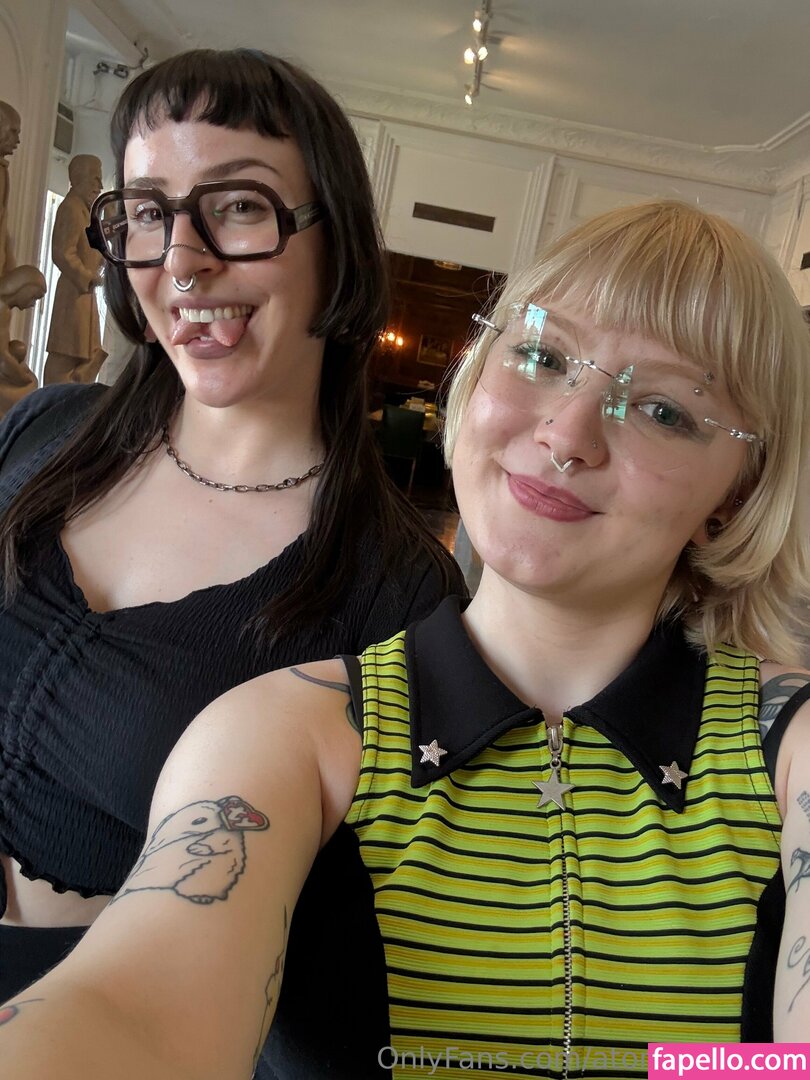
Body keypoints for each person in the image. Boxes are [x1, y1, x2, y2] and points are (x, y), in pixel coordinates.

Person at [2, 200, 809, 1079]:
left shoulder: (790, 750)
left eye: (662, 410)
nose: (567, 436)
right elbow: (136, 1007)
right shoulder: (286, 734)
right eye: (542, 357)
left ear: (738, 492)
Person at [0, 46, 462, 1076]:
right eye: (146, 212)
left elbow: (356, 976)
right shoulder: (43, 431)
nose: (182, 262)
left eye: (239, 207)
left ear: (336, 242)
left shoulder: (397, 595)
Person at [43, 154, 106, 386]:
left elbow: (94, 252)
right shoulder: (70, 208)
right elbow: (62, 252)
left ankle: (75, 397)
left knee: (90, 355)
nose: (100, 186)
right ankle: (54, 400)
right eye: (95, 179)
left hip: (85, 294)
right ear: (79, 178)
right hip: (74, 293)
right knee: (66, 354)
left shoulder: (86, 212)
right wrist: (86, 277)